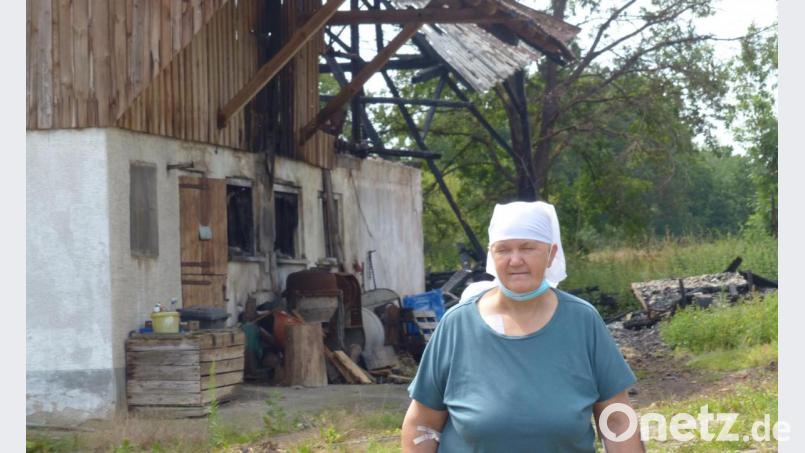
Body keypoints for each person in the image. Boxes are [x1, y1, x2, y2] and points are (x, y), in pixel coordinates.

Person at [401, 201, 644, 452]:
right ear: (491, 256)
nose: (515, 260)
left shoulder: (582, 322)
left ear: (551, 254)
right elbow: (422, 423)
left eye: (528, 248)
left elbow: (616, 420)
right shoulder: (457, 326)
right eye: (503, 250)